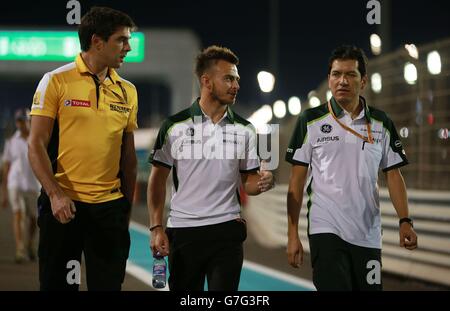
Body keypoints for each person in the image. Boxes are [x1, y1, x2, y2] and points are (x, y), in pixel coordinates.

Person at [285, 45, 418, 291]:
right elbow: (296, 182)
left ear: (363, 81)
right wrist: (292, 234)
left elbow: (394, 174)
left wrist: (405, 220)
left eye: (350, 74)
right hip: (326, 229)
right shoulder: (310, 121)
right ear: (329, 79)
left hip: (368, 235)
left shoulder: (381, 122)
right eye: (336, 74)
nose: (342, 81)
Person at [28, 7, 138, 291]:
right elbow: (36, 143)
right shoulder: (56, 80)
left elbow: (128, 156)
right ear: (97, 41)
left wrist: (124, 207)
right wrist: (55, 195)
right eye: (121, 40)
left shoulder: (128, 90)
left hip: (108, 211)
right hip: (65, 207)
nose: (128, 47)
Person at [148, 45, 274, 291]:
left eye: (237, 79)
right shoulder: (174, 126)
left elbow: (248, 182)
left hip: (227, 231)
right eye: (228, 78)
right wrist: (156, 228)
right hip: (184, 232)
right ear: (206, 81)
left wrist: (261, 183)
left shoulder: (246, 129)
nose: (236, 85)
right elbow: (157, 179)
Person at [2, 108, 41, 263]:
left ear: (29, 121)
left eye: (23, 120)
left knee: (34, 219)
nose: (20, 123)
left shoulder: (38, 138)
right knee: (18, 214)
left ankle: (30, 245)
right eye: (18, 121)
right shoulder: (11, 141)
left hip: (33, 184)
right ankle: (20, 249)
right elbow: (6, 165)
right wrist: (4, 191)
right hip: (15, 183)